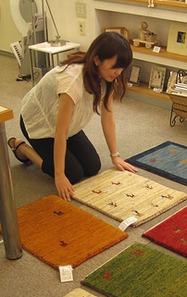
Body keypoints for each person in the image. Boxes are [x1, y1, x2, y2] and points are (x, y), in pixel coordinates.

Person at [7, 31, 138, 202]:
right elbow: (60, 132)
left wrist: (115, 155)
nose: (118, 72)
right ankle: (22, 148)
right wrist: (59, 175)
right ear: (97, 59)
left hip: (69, 125)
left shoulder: (107, 78)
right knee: (73, 174)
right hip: (40, 124)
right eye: (115, 66)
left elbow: (108, 118)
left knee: (92, 167)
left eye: (122, 68)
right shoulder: (71, 82)